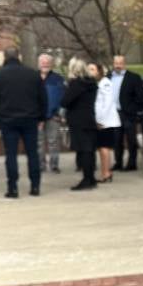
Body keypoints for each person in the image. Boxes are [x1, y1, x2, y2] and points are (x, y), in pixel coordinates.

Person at [0, 47, 48, 198]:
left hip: (7, 120)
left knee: (11, 154)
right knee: (32, 153)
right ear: (19, 56)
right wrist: (41, 118)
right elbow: (43, 98)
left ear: (4, 57)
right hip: (30, 119)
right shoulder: (33, 74)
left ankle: (12, 188)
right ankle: (35, 186)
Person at [61, 58, 98, 191]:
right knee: (89, 150)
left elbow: (65, 101)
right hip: (89, 118)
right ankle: (91, 178)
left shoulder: (76, 84)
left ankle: (87, 179)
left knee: (84, 150)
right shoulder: (91, 83)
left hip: (78, 120)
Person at [111, 55, 143, 171]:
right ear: (113, 64)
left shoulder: (134, 77)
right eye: (116, 63)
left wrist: (134, 110)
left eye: (120, 63)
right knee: (116, 140)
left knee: (131, 140)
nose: (118, 65)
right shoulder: (109, 77)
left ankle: (131, 163)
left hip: (128, 114)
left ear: (124, 64)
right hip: (114, 114)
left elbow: (140, 97)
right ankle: (118, 162)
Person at [88, 62, 121, 184]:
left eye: (92, 69)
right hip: (100, 120)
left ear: (99, 71)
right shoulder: (97, 83)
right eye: (88, 69)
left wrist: (99, 120)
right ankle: (105, 172)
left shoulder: (105, 83)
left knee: (104, 148)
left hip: (105, 121)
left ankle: (106, 173)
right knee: (102, 148)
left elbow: (107, 104)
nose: (90, 71)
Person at [38, 53, 65, 174]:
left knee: (53, 142)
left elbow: (63, 98)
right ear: (39, 64)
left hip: (53, 116)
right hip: (37, 117)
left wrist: (60, 114)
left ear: (51, 64)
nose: (45, 64)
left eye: (47, 62)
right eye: (43, 62)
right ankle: (41, 165)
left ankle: (54, 165)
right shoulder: (33, 78)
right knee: (39, 143)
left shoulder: (58, 79)